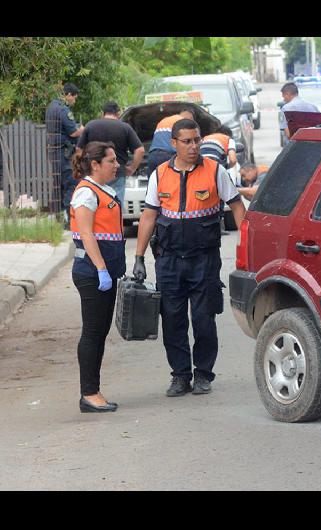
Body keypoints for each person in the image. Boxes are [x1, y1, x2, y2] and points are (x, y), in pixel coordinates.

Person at [133, 119, 246, 397]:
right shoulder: (160, 174)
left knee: (203, 318)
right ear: (174, 144)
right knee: (173, 319)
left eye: (196, 140)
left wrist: (246, 246)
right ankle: (180, 375)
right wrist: (138, 257)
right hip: (169, 260)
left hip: (204, 260)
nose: (194, 146)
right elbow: (148, 216)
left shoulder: (215, 171)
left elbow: (237, 207)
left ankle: (204, 373)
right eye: (187, 141)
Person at [69, 141, 126, 413]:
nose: (117, 165)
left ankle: (94, 391)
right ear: (95, 165)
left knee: (99, 332)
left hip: (104, 272)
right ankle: (89, 393)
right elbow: (86, 233)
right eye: (111, 161)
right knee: (92, 333)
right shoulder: (86, 193)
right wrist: (102, 268)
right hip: (93, 273)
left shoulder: (102, 190)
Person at [76, 101, 144, 204]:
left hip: (95, 172)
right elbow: (140, 150)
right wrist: (131, 168)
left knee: (94, 203)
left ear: (102, 113)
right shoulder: (125, 127)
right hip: (117, 172)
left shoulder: (91, 125)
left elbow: (79, 150)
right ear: (117, 113)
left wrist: (84, 167)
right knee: (115, 205)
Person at [46, 83, 85, 220]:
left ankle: (58, 217)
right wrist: (82, 129)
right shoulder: (63, 110)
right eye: (74, 98)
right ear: (68, 94)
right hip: (64, 153)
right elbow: (74, 132)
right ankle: (70, 219)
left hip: (54, 152)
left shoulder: (51, 106)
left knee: (58, 185)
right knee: (70, 183)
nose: (74, 101)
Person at [147, 107, 195, 176]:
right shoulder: (181, 122)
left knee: (154, 183)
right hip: (167, 156)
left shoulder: (164, 120)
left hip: (152, 156)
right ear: (189, 117)